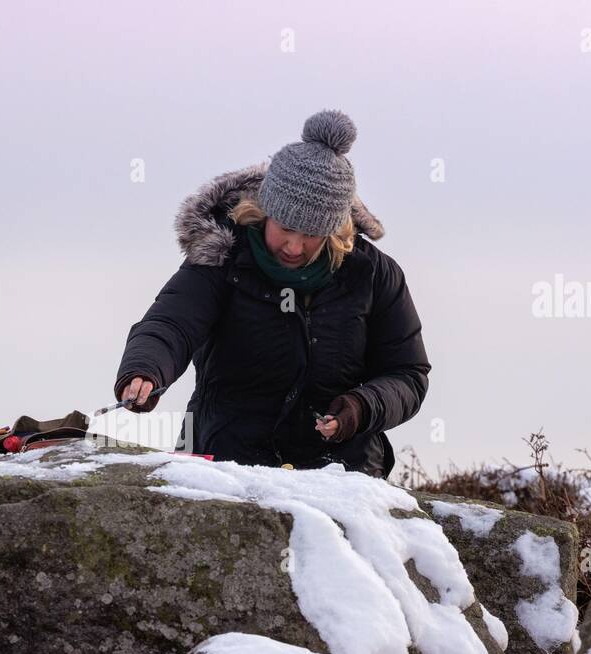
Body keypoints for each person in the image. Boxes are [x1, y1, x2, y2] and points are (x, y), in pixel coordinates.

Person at [111, 109, 430, 478]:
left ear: (335, 228)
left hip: (344, 476)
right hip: (226, 466)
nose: (294, 247)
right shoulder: (220, 259)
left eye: (311, 234)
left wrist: (362, 407)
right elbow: (171, 324)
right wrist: (145, 370)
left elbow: (408, 374)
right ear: (263, 211)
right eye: (285, 228)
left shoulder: (373, 274)